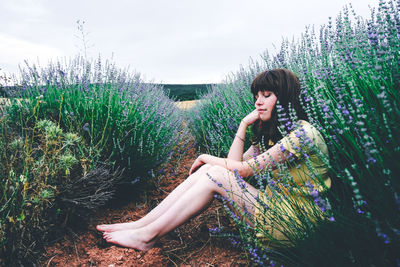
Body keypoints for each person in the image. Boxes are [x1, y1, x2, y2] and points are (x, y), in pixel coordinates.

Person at [96, 68, 331, 250]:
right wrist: (243, 125)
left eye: (267, 95)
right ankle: (141, 226)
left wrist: (205, 157)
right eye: (256, 96)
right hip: (276, 208)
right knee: (212, 171)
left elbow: (243, 171)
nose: (258, 102)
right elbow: (234, 164)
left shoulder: (302, 135)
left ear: (286, 98)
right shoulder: (274, 135)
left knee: (215, 172)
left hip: (297, 222)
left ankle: (147, 237)